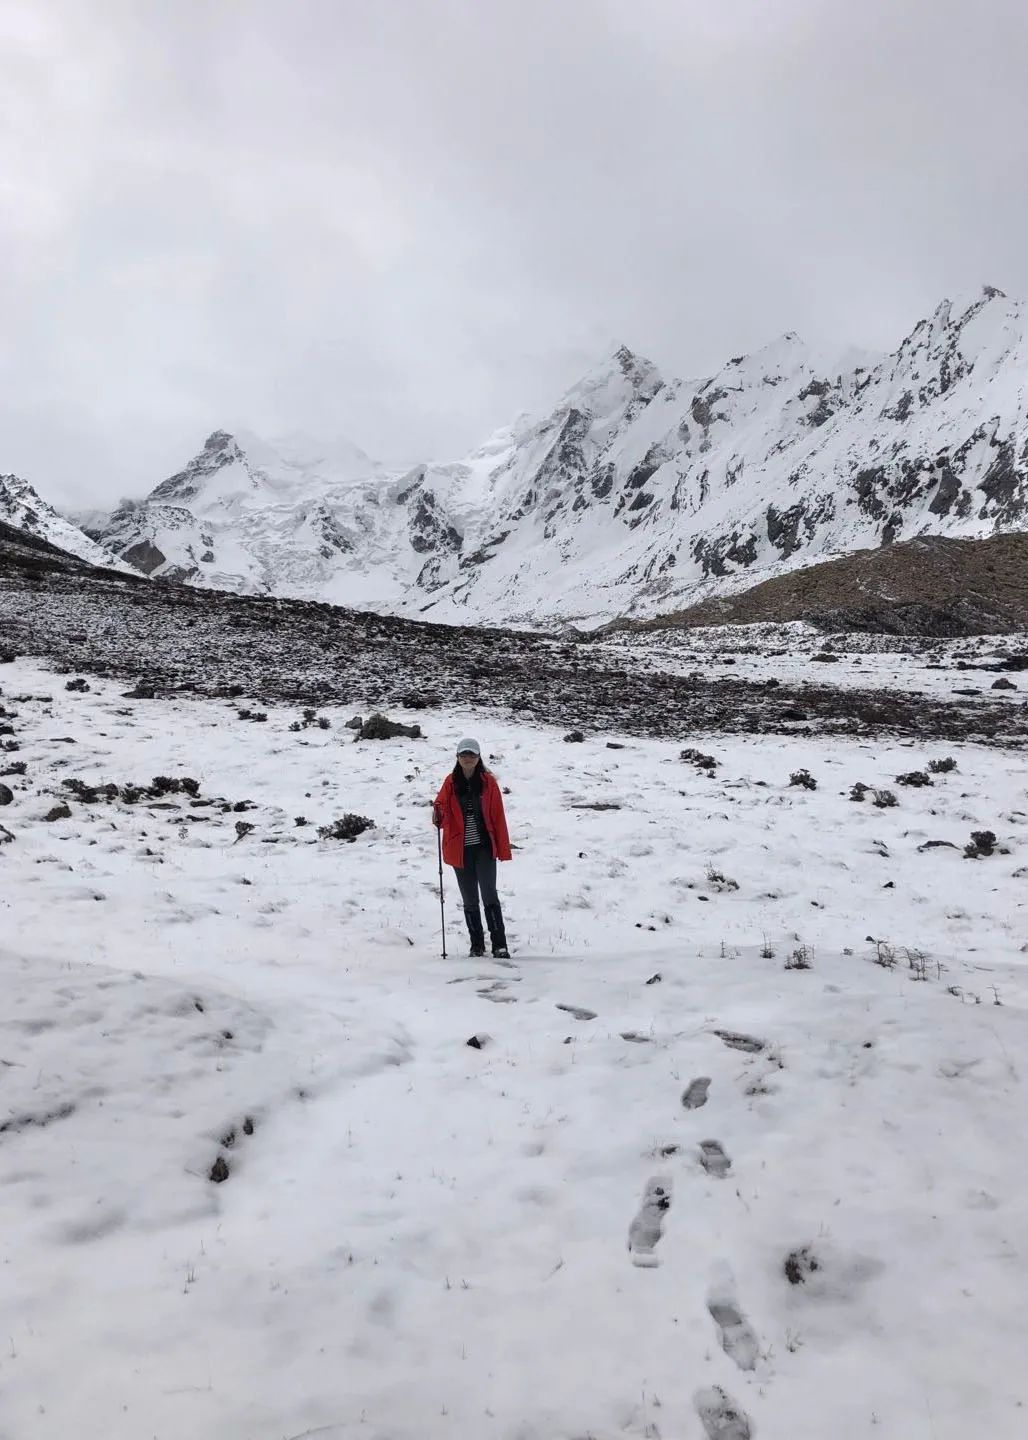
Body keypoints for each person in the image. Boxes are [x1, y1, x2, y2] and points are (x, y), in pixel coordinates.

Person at [433, 738, 512, 958]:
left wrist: (502, 847)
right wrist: (437, 813)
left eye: (472, 755)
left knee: (489, 895)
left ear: (479, 758)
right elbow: (440, 807)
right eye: (464, 755)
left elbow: (497, 817)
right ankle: (476, 944)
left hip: (484, 849)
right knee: (469, 899)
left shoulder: (488, 783)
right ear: (457, 758)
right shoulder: (450, 783)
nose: (468, 758)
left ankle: (499, 944)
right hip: (460, 850)